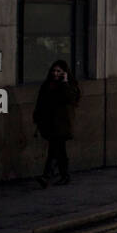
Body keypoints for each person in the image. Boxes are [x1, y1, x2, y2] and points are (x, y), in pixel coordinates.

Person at [33, 59, 80, 187]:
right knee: (60, 151)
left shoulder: (69, 85)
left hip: (62, 124)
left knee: (54, 149)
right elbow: (41, 101)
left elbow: (70, 98)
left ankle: (46, 176)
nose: (55, 73)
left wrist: (65, 82)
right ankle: (65, 176)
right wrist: (37, 116)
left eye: (59, 71)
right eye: (54, 70)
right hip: (50, 122)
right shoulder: (47, 84)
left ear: (64, 72)